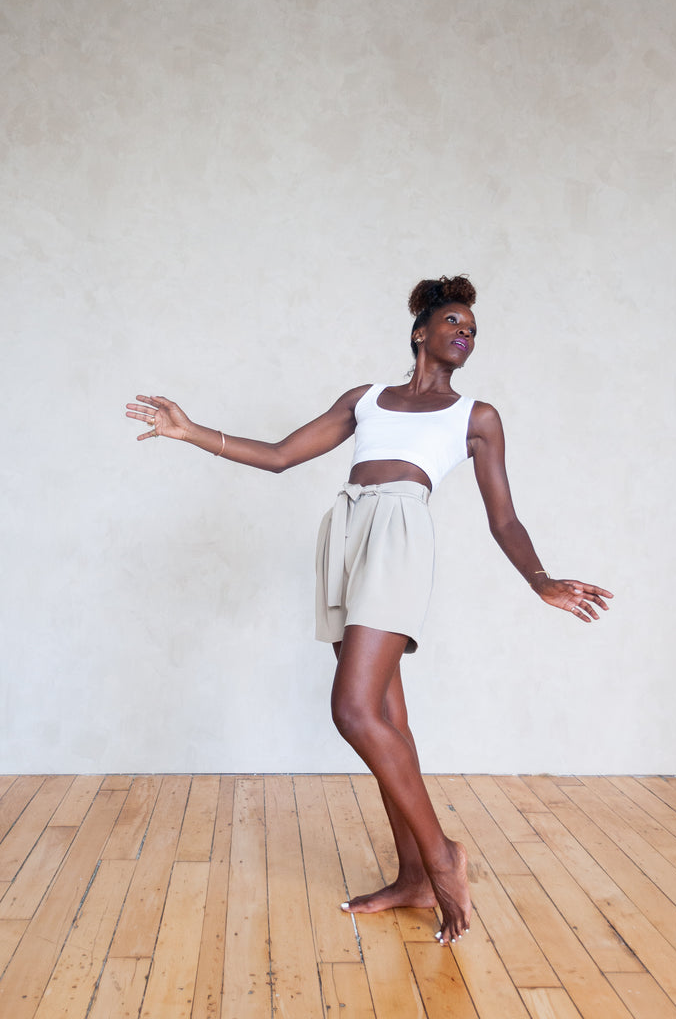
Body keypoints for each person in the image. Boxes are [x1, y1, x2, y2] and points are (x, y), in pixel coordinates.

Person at [126, 274, 612, 945]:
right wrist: (189, 432)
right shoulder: (367, 400)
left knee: (352, 710)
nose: (465, 333)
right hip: (346, 534)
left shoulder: (476, 417)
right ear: (421, 331)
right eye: (453, 323)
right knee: (386, 717)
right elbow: (278, 457)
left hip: (399, 537)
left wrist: (540, 577)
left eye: (472, 328)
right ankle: (413, 875)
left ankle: (441, 856)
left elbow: (505, 519)